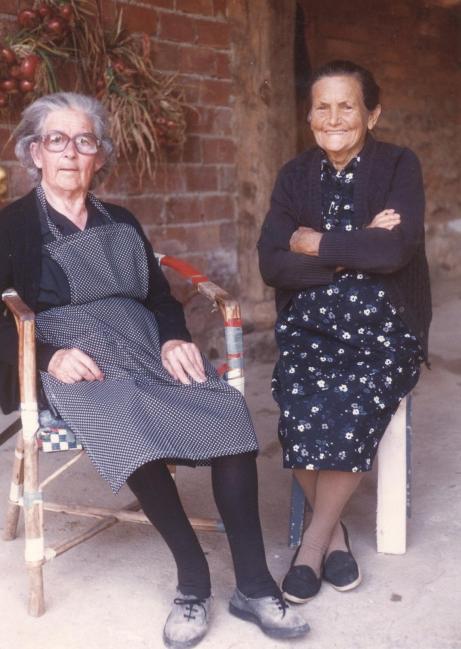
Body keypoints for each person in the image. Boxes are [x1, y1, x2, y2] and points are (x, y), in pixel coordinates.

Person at [0, 92, 309, 647]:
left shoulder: (120, 219)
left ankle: (255, 584)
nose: (71, 152)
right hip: (74, 359)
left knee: (225, 409)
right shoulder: (13, 225)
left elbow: (159, 297)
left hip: (144, 341)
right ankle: (193, 580)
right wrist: (48, 356)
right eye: (56, 140)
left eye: (84, 141)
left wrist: (173, 337)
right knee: (126, 419)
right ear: (34, 153)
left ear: (99, 155)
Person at [258, 60, 431, 603]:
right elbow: (272, 263)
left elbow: (395, 252)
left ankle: (313, 545)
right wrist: (357, 246)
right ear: (309, 116)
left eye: (347, 106)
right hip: (309, 323)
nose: (333, 118)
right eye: (322, 107)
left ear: (371, 114)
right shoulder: (294, 176)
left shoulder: (399, 165)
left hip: (386, 325)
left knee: (352, 395)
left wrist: (314, 242)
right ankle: (335, 538)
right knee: (298, 396)